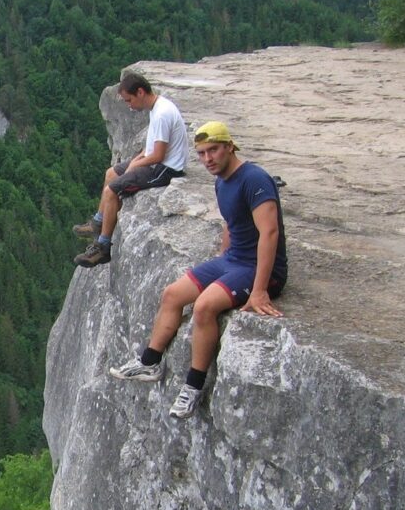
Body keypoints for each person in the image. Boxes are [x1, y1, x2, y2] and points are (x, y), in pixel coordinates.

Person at [107, 121, 287, 418]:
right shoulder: (222, 181)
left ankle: (193, 388)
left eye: (213, 151)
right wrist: (219, 261)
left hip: (259, 267)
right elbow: (231, 223)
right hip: (234, 259)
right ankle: (150, 362)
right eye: (202, 154)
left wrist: (259, 291)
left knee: (204, 307)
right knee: (172, 294)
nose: (207, 159)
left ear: (230, 146)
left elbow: (269, 234)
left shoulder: (255, 180)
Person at [74, 72, 190, 267]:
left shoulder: (161, 114)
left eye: (129, 100)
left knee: (111, 191)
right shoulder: (157, 107)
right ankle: (98, 222)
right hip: (155, 161)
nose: (129, 105)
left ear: (140, 92)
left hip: (165, 169)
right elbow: (151, 147)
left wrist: (135, 165)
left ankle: (102, 247)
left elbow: (159, 155)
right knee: (111, 174)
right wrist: (134, 160)